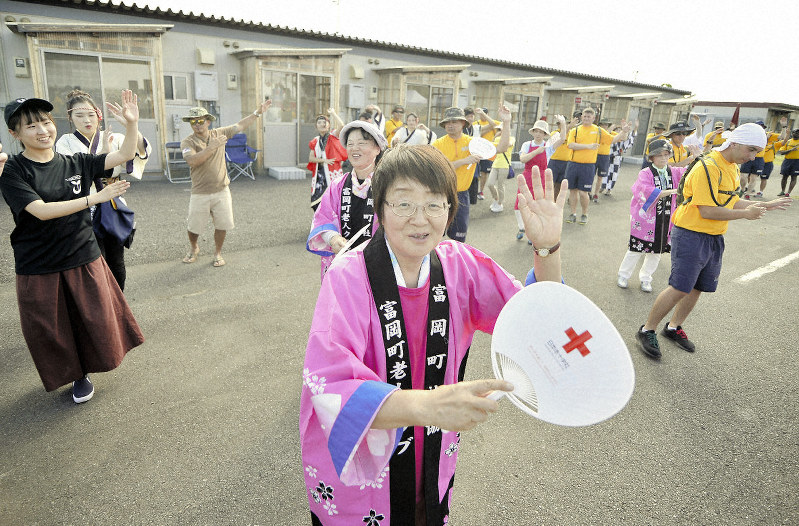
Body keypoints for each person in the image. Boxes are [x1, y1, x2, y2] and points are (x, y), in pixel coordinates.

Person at [299, 144, 567, 525]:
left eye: (435, 204)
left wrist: (546, 249)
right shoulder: (347, 277)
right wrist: (429, 406)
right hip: (369, 462)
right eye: (403, 204)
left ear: (450, 209)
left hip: (435, 449)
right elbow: (328, 384)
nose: (419, 218)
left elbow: (535, 321)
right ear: (380, 208)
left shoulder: (461, 264)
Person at [0, 92, 145, 403]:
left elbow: (123, 156)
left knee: (91, 318)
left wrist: (132, 125)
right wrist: (95, 199)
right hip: (39, 263)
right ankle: (73, 374)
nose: (42, 130)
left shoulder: (75, 161)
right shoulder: (14, 169)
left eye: (45, 122)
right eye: (30, 126)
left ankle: (84, 374)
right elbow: (39, 210)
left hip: (83, 255)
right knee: (50, 329)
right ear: (15, 134)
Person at [635, 123, 792, 359]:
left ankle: (673, 327)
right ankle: (647, 329)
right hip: (691, 233)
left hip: (714, 235)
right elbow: (707, 210)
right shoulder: (708, 167)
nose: (752, 157)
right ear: (735, 143)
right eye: (750, 149)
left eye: (757, 152)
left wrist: (765, 205)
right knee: (679, 287)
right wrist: (746, 214)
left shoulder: (731, 167)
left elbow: (731, 202)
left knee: (698, 286)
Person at [55, 89, 151, 291]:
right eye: (79, 115)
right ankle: (100, 307)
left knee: (117, 260)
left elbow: (141, 150)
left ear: (98, 115)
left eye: (91, 114)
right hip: (85, 204)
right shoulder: (65, 142)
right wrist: (104, 155)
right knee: (94, 262)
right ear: (70, 118)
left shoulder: (114, 137)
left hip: (113, 203)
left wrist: (131, 125)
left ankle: (118, 304)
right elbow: (71, 173)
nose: (86, 120)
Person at [180, 100, 271, 267]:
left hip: (222, 190)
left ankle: (218, 253)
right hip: (200, 192)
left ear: (208, 121)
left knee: (222, 224)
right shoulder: (188, 142)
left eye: (200, 120)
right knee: (194, 227)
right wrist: (212, 147)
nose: (197, 124)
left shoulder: (219, 133)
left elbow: (239, 126)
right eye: (193, 121)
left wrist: (257, 113)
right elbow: (192, 161)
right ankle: (194, 248)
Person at [306, 121, 387, 278]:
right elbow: (323, 219)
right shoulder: (338, 185)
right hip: (343, 265)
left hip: (379, 266)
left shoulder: (388, 185)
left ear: (377, 148)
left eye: (361, 143)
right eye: (350, 144)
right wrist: (333, 238)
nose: (354, 148)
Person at [432, 105, 509, 242]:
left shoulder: (473, 143)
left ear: (463, 123)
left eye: (454, 122)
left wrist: (507, 122)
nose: (450, 125)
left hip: (461, 195)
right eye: (448, 122)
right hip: (440, 195)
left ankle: (456, 262)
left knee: (459, 238)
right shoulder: (438, 144)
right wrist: (464, 161)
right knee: (434, 237)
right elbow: (438, 168)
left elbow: (502, 148)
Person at [617, 140, 685, 293]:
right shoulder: (645, 173)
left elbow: (689, 172)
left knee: (656, 253)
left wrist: (701, 152)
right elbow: (647, 191)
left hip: (665, 219)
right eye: (659, 155)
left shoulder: (673, 172)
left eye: (666, 155)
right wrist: (673, 192)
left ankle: (646, 278)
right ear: (651, 157)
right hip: (645, 220)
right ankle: (623, 275)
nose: (663, 158)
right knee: (636, 249)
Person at [564, 107, 630, 225]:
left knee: (583, 192)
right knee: (572, 191)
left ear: (593, 118)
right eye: (584, 116)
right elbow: (570, 145)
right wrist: (588, 146)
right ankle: (573, 213)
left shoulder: (599, 131)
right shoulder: (576, 130)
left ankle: (584, 214)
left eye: (589, 117)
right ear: (581, 117)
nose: (586, 118)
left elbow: (614, 139)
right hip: (573, 164)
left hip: (588, 166)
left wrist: (623, 131)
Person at [516, 116, 566, 240]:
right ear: (533, 132)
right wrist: (536, 152)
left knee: (537, 205)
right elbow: (522, 159)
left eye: (541, 132)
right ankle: (521, 226)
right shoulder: (527, 144)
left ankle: (532, 232)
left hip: (542, 178)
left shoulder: (548, 147)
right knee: (519, 203)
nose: (538, 134)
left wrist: (563, 124)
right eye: (536, 131)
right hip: (527, 176)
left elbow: (562, 139)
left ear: (545, 134)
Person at [308, 109, 347, 210]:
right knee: (316, 201)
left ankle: (333, 222)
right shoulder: (315, 141)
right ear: (316, 126)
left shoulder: (333, 136)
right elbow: (311, 158)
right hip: (320, 174)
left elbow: (342, 126)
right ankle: (321, 222)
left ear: (329, 125)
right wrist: (324, 161)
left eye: (325, 122)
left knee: (334, 199)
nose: (322, 124)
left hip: (332, 171)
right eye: (319, 122)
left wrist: (333, 113)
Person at [591, 118, 633, 201]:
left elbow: (623, 138)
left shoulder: (611, 133)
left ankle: (596, 193)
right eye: (603, 124)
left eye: (606, 125)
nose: (605, 126)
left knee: (600, 176)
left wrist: (624, 130)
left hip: (605, 156)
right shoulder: (596, 132)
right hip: (594, 155)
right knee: (591, 175)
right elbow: (604, 134)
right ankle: (588, 192)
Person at [548, 111, 581, 200]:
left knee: (560, 184)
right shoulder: (554, 133)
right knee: (550, 183)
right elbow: (559, 138)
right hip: (554, 161)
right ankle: (548, 200)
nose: (562, 125)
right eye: (560, 124)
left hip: (566, 162)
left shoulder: (572, 134)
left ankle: (555, 200)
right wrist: (568, 127)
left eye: (564, 124)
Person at [741, 120, 779, 198]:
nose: (761, 128)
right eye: (759, 126)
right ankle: (742, 189)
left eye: (762, 127)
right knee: (743, 176)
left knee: (753, 178)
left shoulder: (767, 135)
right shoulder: (750, 135)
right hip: (748, 157)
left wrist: (784, 127)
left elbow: (781, 137)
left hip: (759, 159)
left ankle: (748, 193)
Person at [486, 122, 515, 213]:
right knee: (490, 184)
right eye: (499, 129)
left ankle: (499, 203)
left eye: (502, 129)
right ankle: (496, 198)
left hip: (504, 165)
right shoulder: (497, 138)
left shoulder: (512, 138)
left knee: (500, 186)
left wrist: (503, 136)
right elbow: (491, 147)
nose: (500, 131)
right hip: (495, 164)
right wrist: (496, 136)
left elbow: (508, 144)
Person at [604, 120, 638, 195]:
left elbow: (630, 138)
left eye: (620, 130)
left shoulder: (623, 141)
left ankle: (609, 189)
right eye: (617, 130)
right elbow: (605, 135)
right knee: (605, 172)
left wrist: (635, 128)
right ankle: (602, 186)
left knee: (614, 174)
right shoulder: (611, 137)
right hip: (607, 156)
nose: (618, 132)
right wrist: (611, 128)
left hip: (617, 158)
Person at [777, 128, 799, 197]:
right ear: (792, 133)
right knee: (784, 176)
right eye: (795, 132)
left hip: (797, 162)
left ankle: (788, 193)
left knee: (794, 177)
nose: (796, 134)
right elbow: (781, 152)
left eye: (798, 133)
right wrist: (791, 150)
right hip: (787, 161)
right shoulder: (788, 141)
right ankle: (782, 191)